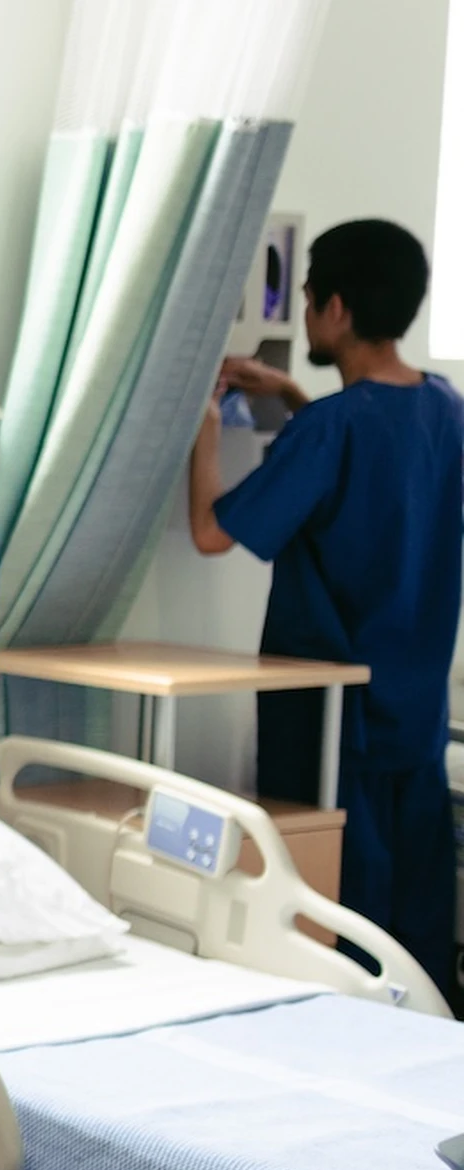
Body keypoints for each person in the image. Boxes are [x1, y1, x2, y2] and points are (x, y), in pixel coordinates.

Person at [191, 218, 464, 1009]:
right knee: (411, 951)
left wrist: (204, 425)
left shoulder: (331, 430)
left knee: (334, 943)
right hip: (411, 724)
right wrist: (294, 398)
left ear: (336, 308)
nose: (305, 313)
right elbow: (377, 476)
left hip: (331, 731)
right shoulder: (446, 412)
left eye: (308, 298)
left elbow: (211, 530)